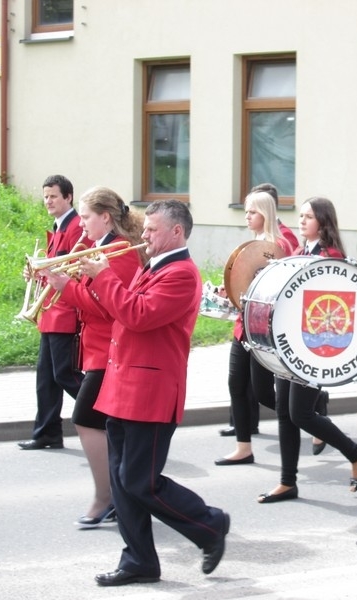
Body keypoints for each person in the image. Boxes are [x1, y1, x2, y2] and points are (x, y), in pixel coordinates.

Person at [79, 200, 230, 586]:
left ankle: (210, 524)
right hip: (123, 387)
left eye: (151, 229)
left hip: (151, 393)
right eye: (145, 228)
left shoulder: (182, 274)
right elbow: (119, 311)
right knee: (121, 482)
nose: (143, 235)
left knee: (139, 482)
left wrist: (104, 276)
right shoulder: (154, 265)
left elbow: (138, 315)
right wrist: (84, 280)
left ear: (176, 232)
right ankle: (139, 561)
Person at [257, 196, 357, 503]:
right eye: (301, 215)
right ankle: (287, 482)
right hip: (289, 343)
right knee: (285, 412)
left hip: (314, 346)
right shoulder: (301, 251)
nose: (302, 220)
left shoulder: (331, 256)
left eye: (308, 216)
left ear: (323, 222)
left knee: (301, 414)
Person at [43, 187, 143, 527]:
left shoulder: (120, 253)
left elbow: (109, 307)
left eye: (86, 217)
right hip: (97, 350)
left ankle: (107, 496)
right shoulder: (98, 248)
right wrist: (51, 278)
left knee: (85, 418)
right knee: (106, 426)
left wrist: (66, 288)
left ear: (105, 217)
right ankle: (118, 496)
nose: (81, 223)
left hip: (109, 349)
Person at [215, 190, 294, 466]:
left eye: (252, 212)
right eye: (246, 211)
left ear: (265, 214)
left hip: (263, 328)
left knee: (263, 393)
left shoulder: (280, 245)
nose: (247, 216)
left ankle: (311, 409)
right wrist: (229, 291)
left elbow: (282, 289)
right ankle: (243, 448)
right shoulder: (252, 243)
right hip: (243, 325)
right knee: (236, 384)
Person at [18, 174, 84, 450]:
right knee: (46, 378)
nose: (48, 201)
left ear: (68, 197)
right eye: (45, 196)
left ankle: (109, 418)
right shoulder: (60, 227)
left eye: (54, 196)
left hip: (65, 312)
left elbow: (74, 269)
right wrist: (36, 272)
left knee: (65, 375)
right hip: (52, 313)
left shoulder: (76, 227)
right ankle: (47, 433)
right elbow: (54, 268)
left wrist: (45, 271)